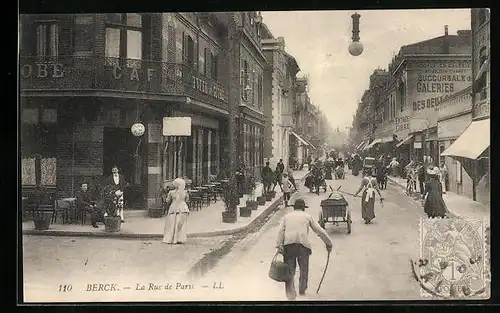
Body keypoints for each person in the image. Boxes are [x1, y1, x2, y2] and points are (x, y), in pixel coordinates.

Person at [276, 199, 333, 300]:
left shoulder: (287, 217)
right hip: (303, 245)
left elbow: (281, 231)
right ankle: (302, 288)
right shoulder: (307, 217)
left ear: (294, 207)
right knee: (304, 268)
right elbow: (319, 230)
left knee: (289, 269)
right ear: (303, 208)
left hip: (289, 245)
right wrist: (328, 243)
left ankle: (290, 294)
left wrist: (279, 245)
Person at [163, 178, 190, 244]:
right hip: (183, 208)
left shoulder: (171, 192)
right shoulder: (185, 192)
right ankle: (179, 238)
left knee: (172, 223)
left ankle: (170, 238)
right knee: (180, 224)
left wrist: (165, 198)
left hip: (173, 207)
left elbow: (167, 201)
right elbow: (187, 200)